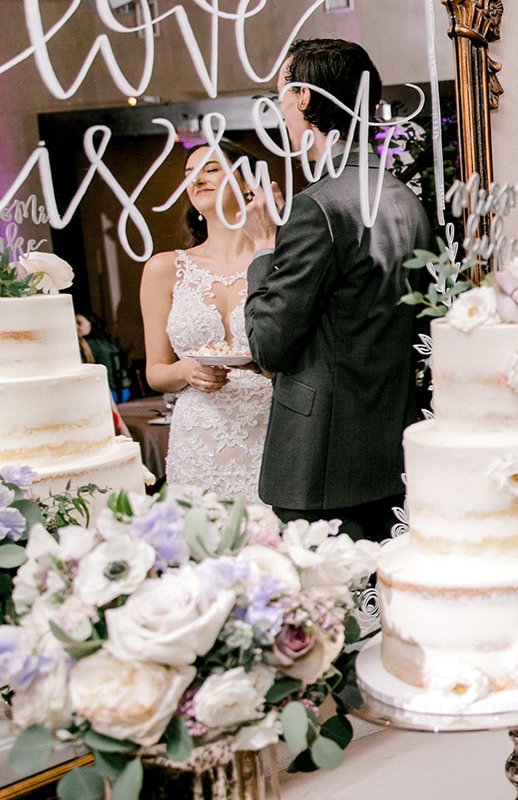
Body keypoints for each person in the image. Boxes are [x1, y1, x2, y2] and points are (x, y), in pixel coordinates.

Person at [242, 38, 432, 539]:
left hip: (319, 465)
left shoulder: (317, 205)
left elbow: (268, 344)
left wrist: (264, 246)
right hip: (391, 451)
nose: (278, 108)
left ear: (303, 97)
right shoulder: (405, 201)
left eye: (279, 92)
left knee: (332, 613)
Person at [139, 139, 273, 500]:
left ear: (247, 182)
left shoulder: (278, 261)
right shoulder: (165, 268)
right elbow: (156, 372)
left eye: (211, 169)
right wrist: (185, 372)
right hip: (199, 439)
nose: (197, 180)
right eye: (190, 175)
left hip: (271, 432)